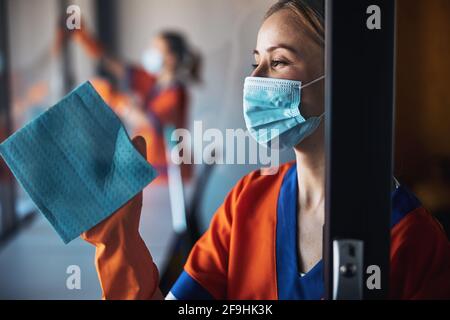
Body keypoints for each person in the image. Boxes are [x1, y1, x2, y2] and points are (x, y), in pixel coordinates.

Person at [82, 0, 450, 300]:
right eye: (254, 61)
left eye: (278, 62)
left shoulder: (413, 242)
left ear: (344, 78)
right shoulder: (246, 202)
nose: (255, 80)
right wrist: (120, 243)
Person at [71, 28, 201, 182]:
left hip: (168, 177)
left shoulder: (175, 93)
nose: (150, 52)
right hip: (153, 171)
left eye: (156, 49)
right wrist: (83, 36)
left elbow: (148, 121)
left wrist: (113, 99)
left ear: (171, 58)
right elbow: (114, 64)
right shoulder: (152, 82)